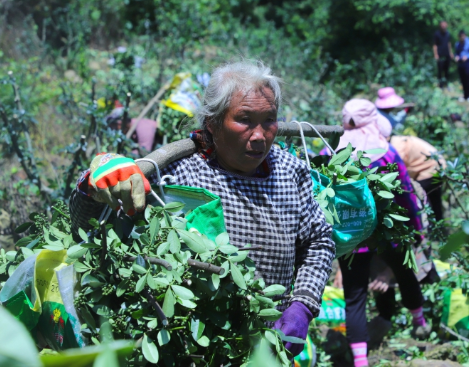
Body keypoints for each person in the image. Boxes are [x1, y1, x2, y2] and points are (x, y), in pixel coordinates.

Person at [69, 60, 336, 357]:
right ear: (213, 123)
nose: (260, 135)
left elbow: (319, 240)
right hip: (192, 347)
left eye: (269, 120)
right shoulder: (176, 175)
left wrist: (302, 304)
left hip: (270, 345)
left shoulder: (291, 171)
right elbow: (93, 229)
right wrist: (93, 185)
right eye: (245, 119)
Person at [333, 99, 430, 367]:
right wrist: (416, 231)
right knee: (405, 274)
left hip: (353, 238)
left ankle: (361, 361)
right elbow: (406, 195)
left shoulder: (334, 153)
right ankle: (419, 321)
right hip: (389, 231)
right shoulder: (386, 152)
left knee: (355, 299)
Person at [389, 135, 446, 228]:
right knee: (435, 205)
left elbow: (399, 171)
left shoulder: (396, 147)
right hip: (437, 167)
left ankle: (426, 232)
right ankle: (439, 233)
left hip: (430, 170)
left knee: (420, 204)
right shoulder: (397, 140)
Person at [454, 30, 469, 102]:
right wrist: (456, 57)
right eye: (460, 37)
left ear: (465, 36)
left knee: (467, 79)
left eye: (463, 36)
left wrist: (467, 56)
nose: (462, 38)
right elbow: (456, 53)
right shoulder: (457, 44)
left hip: (468, 63)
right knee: (463, 80)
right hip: (460, 64)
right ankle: (465, 95)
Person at [433, 21, 454, 88]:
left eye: (444, 25)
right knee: (440, 70)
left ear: (446, 25)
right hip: (440, 55)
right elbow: (435, 45)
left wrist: (450, 52)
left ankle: (446, 84)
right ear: (440, 26)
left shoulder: (448, 34)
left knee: (446, 70)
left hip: (447, 55)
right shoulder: (437, 34)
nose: (443, 26)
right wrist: (436, 54)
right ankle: (440, 85)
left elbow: (449, 43)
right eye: (442, 25)